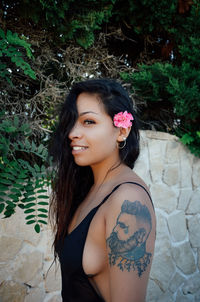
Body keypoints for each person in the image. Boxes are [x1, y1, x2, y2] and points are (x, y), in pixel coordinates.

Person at [49, 78, 156, 302]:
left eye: (88, 121)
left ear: (122, 131)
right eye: (72, 122)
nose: (72, 133)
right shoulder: (88, 188)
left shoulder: (128, 199)